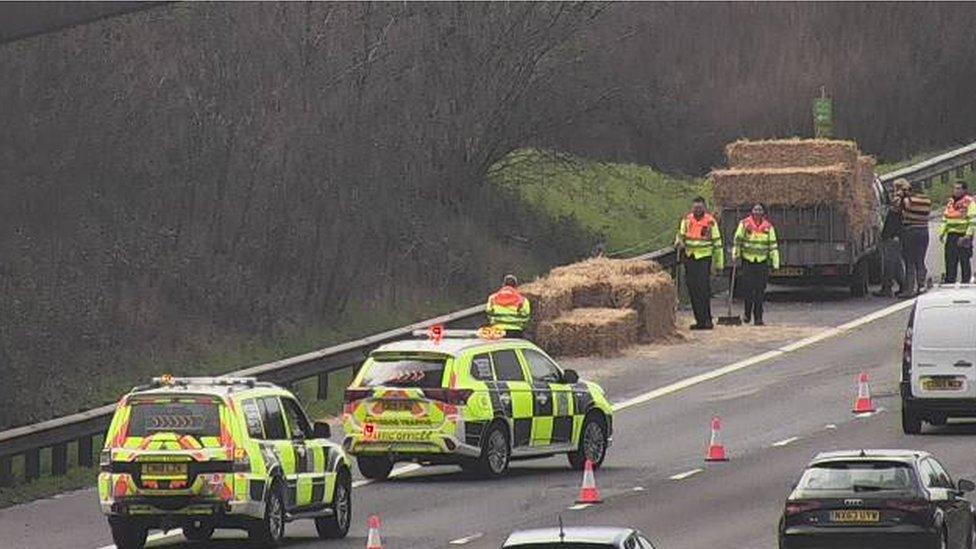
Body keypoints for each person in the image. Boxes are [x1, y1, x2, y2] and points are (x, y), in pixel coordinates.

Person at [674, 196, 724, 330]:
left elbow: (717, 243)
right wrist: (678, 241)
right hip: (690, 257)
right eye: (695, 207)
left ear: (704, 208)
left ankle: (707, 319)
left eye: (700, 207)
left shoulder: (710, 222)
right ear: (692, 208)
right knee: (692, 288)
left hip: (704, 258)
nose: (697, 210)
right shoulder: (687, 220)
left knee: (703, 289)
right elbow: (681, 234)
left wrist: (719, 263)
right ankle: (699, 320)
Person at [732, 203, 779, 325]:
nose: (757, 211)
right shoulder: (744, 224)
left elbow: (773, 246)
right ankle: (747, 314)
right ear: (751, 211)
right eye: (755, 209)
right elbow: (737, 240)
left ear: (763, 212)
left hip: (762, 262)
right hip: (748, 261)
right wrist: (735, 253)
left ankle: (758, 317)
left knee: (760, 291)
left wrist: (775, 262)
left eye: (760, 209)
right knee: (748, 289)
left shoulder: (768, 227)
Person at [894, 179, 932, 296]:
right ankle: (921, 285)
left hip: (910, 231)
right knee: (920, 260)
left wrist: (901, 195)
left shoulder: (908, 200)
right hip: (924, 231)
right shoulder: (927, 201)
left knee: (909, 261)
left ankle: (909, 289)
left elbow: (897, 208)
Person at [938, 181, 976, 283]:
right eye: (955, 188)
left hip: (963, 235)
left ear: (964, 190)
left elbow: (972, 220)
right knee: (950, 260)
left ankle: (966, 282)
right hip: (951, 235)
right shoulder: (951, 202)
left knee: (964, 260)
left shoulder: (969, 202)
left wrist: (968, 235)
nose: (956, 190)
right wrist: (941, 232)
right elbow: (945, 218)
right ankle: (950, 281)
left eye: (959, 188)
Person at [873, 184, 906, 297]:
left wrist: (895, 235)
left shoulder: (900, 202)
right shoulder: (900, 202)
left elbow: (897, 221)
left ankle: (887, 288)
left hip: (893, 237)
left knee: (889, 263)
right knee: (896, 263)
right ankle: (902, 285)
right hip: (891, 236)